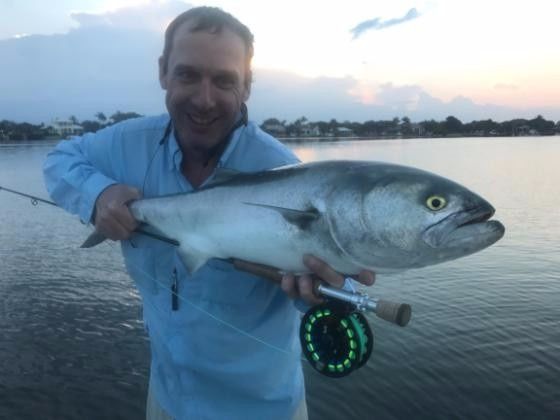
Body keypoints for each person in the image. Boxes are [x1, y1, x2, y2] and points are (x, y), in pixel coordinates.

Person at [43, 6, 374, 420]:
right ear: (163, 72)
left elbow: (327, 297)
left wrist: (324, 295)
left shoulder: (286, 176)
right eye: (187, 74)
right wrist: (98, 195)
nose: (204, 99)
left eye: (223, 80)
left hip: (261, 411)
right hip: (165, 399)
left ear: (247, 86)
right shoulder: (128, 144)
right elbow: (60, 158)